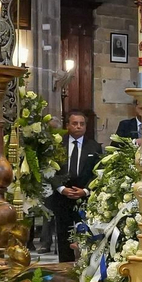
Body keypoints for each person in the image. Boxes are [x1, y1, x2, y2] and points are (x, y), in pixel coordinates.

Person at [46, 109, 101, 263]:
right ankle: (64, 266)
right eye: (75, 123)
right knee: (64, 234)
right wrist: (61, 189)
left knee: (85, 234)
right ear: (67, 125)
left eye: (82, 124)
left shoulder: (94, 147)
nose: (78, 126)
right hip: (62, 197)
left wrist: (85, 190)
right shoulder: (57, 145)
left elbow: (97, 172)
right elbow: (49, 169)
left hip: (84, 198)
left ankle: (84, 266)